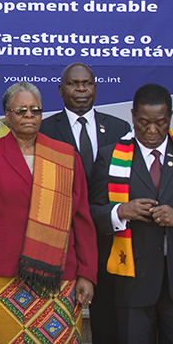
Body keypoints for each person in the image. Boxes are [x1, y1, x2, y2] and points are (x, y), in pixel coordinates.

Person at [0, 81, 96, 343]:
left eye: (35, 110)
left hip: (58, 274)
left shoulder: (65, 155)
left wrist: (87, 275)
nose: (29, 116)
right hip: (1, 274)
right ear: (7, 116)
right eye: (21, 110)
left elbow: (81, 220)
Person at [39, 62, 130, 344]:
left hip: (109, 238)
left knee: (109, 317)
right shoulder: (43, 130)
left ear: (95, 87)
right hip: (62, 239)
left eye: (87, 83)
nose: (81, 89)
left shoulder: (120, 128)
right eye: (73, 84)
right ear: (60, 90)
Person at [88, 83, 173, 343]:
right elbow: (91, 213)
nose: (151, 130)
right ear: (132, 116)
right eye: (144, 122)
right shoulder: (110, 156)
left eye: (159, 123)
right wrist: (120, 211)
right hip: (132, 283)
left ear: (169, 117)